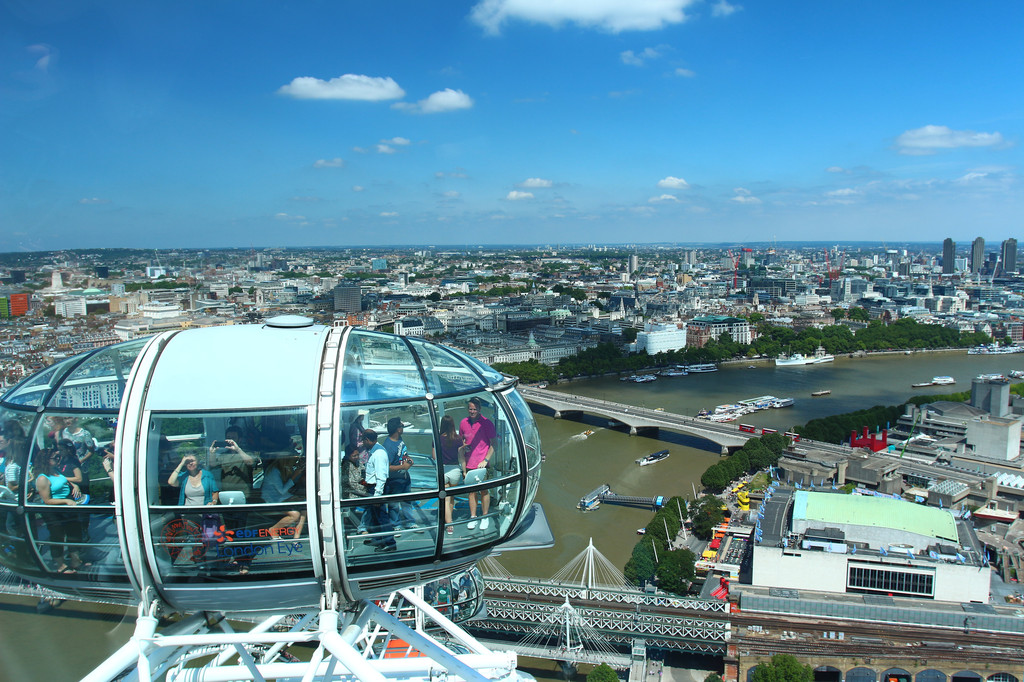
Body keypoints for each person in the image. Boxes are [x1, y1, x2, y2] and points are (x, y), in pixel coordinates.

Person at [34, 448, 85, 572]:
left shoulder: (56, 471)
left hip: (67, 508)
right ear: (46, 460)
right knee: (58, 537)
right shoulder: (42, 478)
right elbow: (47, 500)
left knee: (74, 533)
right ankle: (60, 565)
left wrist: (75, 485)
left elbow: (63, 481)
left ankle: (75, 560)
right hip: (54, 512)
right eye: (55, 458)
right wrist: (66, 501)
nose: (58, 459)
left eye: (58, 457)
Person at [460, 397, 496, 531]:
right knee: (471, 492)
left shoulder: (487, 424)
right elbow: (461, 440)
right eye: (470, 409)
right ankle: (473, 517)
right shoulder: (463, 423)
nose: (472, 411)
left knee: (484, 491)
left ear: (480, 409)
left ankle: (485, 516)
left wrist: (485, 460)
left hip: (483, 465)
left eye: (475, 409)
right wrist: (464, 447)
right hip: (469, 464)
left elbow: (494, 444)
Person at [262, 434, 306, 539]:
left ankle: (297, 535)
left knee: (305, 505)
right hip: (273, 499)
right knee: (295, 515)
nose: (293, 463)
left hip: (281, 496)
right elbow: (282, 490)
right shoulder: (274, 472)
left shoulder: (284, 469)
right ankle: (273, 530)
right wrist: (295, 474)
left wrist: (298, 472)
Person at [382, 417, 420, 532]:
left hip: (404, 477)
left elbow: (403, 453)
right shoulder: (388, 446)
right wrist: (403, 467)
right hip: (394, 480)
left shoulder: (400, 440)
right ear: (397, 429)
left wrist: (408, 459)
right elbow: (386, 467)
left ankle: (409, 522)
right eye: (401, 426)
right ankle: (395, 524)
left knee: (407, 500)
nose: (403, 428)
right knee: (393, 504)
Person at [361, 429, 396, 553]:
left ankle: (389, 543)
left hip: (377, 488)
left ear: (367, 440)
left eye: (363, 441)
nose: (362, 443)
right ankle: (378, 538)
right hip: (372, 487)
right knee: (375, 516)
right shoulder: (374, 450)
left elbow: (381, 476)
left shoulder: (379, 453)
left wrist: (377, 495)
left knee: (382, 517)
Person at [433, 415, 463, 535]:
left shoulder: (437, 438)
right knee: (451, 497)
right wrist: (464, 470)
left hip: (442, 469)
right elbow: (461, 456)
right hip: (455, 469)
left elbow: (434, 456)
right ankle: (449, 520)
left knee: (445, 498)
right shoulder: (458, 439)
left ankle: (448, 522)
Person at [211, 426, 256, 502]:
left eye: (233, 438)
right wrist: (212, 453)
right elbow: (212, 465)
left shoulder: (246, 453)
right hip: (226, 495)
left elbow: (250, 462)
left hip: (243, 495)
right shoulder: (223, 455)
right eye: (228, 437)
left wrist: (238, 450)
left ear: (240, 439)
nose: (230, 440)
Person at [340, 444, 369, 535]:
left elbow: (362, 475)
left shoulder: (358, 463)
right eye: (354, 456)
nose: (357, 457)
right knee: (370, 505)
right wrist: (364, 488)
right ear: (348, 456)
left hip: (359, 490)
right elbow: (351, 483)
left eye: (357, 455)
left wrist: (366, 483)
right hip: (350, 493)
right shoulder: (346, 466)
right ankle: (362, 528)